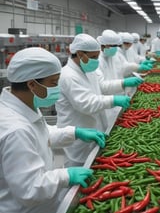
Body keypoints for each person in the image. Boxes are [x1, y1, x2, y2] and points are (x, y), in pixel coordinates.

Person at [0, 47, 105, 213]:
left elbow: (42, 134)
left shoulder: (23, 106)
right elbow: (30, 189)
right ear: (32, 84)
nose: (57, 88)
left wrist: (75, 132)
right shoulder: (15, 130)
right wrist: (65, 176)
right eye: (54, 83)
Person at [56, 33, 132, 167]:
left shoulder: (88, 69)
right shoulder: (68, 75)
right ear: (80, 54)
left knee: (94, 166)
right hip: (79, 136)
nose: (96, 60)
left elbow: (102, 86)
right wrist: (113, 100)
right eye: (93, 57)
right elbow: (85, 103)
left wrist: (122, 84)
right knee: (78, 172)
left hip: (94, 129)